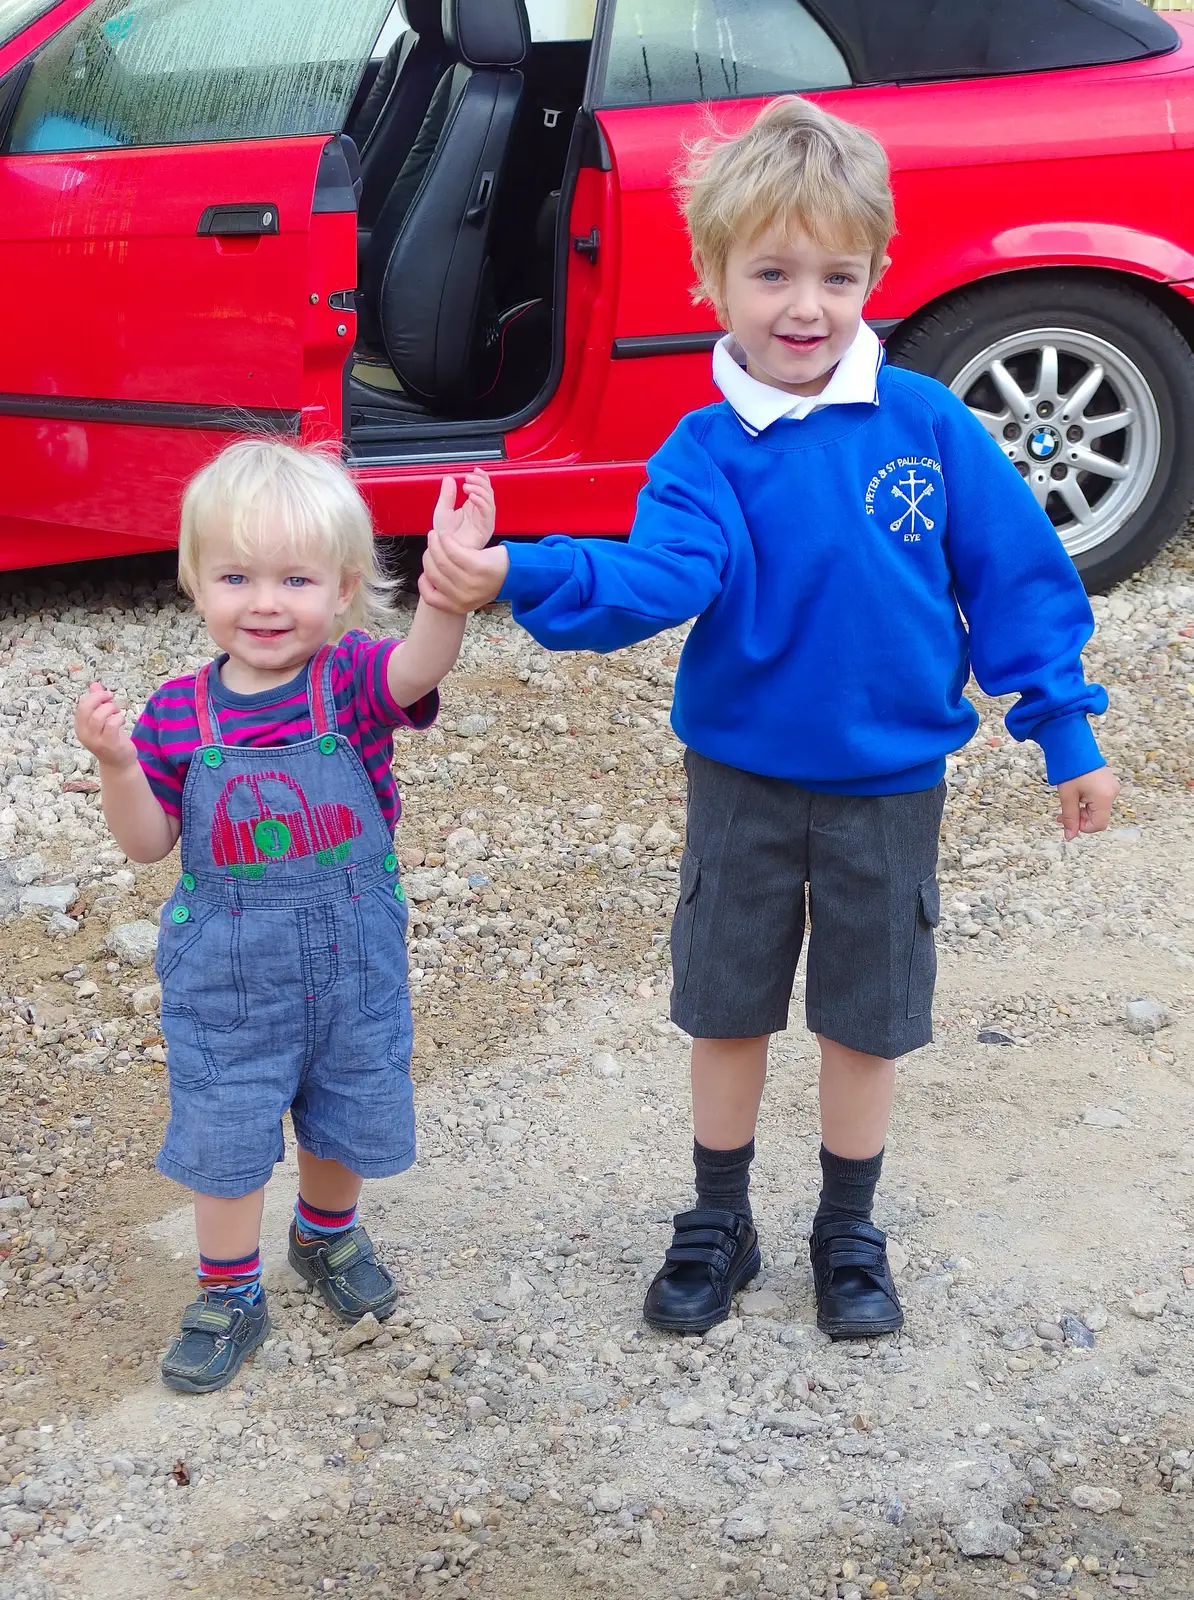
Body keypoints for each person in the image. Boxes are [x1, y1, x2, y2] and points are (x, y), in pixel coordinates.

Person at [417, 96, 1120, 1341]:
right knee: (727, 1005)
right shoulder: (703, 452)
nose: (806, 306)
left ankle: (848, 1225)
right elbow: (658, 580)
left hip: (893, 783)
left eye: (836, 276)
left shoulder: (928, 424)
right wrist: (519, 572)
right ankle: (717, 1219)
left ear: (876, 274)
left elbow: (1017, 578)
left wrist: (1063, 728)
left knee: (868, 1014)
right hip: (741, 781)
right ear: (713, 278)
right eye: (774, 274)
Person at [74, 440, 494, 1391]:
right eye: (236, 577)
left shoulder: (350, 683)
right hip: (230, 975)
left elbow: (422, 667)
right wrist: (116, 766)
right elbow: (147, 843)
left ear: (344, 589)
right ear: (194, 582)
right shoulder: (178, 717)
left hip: (352, 962)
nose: (265, 602)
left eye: (295, 579)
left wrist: (448, 586)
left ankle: (326, 1237)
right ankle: (229, 1289)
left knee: (345, 1109)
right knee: (225, 1134)